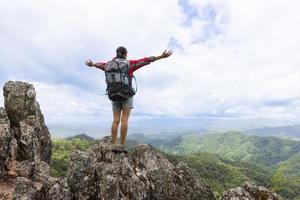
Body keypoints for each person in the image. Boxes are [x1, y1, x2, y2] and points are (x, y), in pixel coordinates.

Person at [85, 46, 172, 148]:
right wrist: (161, 56)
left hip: (113, 95)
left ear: (116, 54)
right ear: (125, 54)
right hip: (127, 95)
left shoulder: (108, 65)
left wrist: (92, 64)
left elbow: (99, 65)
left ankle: (113, 144)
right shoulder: (129, 64)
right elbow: (146, 60)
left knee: (115, 120)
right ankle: (121, 145)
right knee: (124, 120)